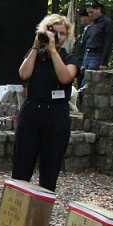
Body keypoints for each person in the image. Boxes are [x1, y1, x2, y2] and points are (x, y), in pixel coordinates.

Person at [11, 14, 79, 192]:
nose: (57, 37)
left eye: (62, 34)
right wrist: (36, 47)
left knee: (50, 168)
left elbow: (65, 77)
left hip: (56, 113)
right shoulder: (35, 54)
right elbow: (23, 74)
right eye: (53, 32)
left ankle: (43, 208)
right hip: (32, 110)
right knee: (22, 163)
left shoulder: (69, 58)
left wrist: (53, 51)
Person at [82, 0, 113, 72]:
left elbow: (108, 43)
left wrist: (104, 62)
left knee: (89, 81)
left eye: (91, 12)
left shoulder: (107, 22)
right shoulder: (93, 24)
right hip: (88, 54)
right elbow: (88, 41)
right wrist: (83, 62)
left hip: (97, 55)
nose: (90, 15)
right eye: (88, 13)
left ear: (98, 9)